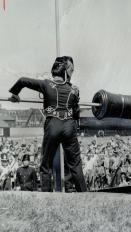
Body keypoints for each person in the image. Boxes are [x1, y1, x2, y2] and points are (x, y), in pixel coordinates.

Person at [8, 56, 87, 192]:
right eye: (70, 71)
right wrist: (75, 126)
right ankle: (84, 194)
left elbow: (22, 80)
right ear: (65, 72)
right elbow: (76, 112)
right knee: (75, 164)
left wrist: (15, 94)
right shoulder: (74, 89)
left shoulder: (46, 84)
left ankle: (47, 196)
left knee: (46, 165)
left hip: (52, 126)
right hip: (69, 126)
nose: (72, 73)